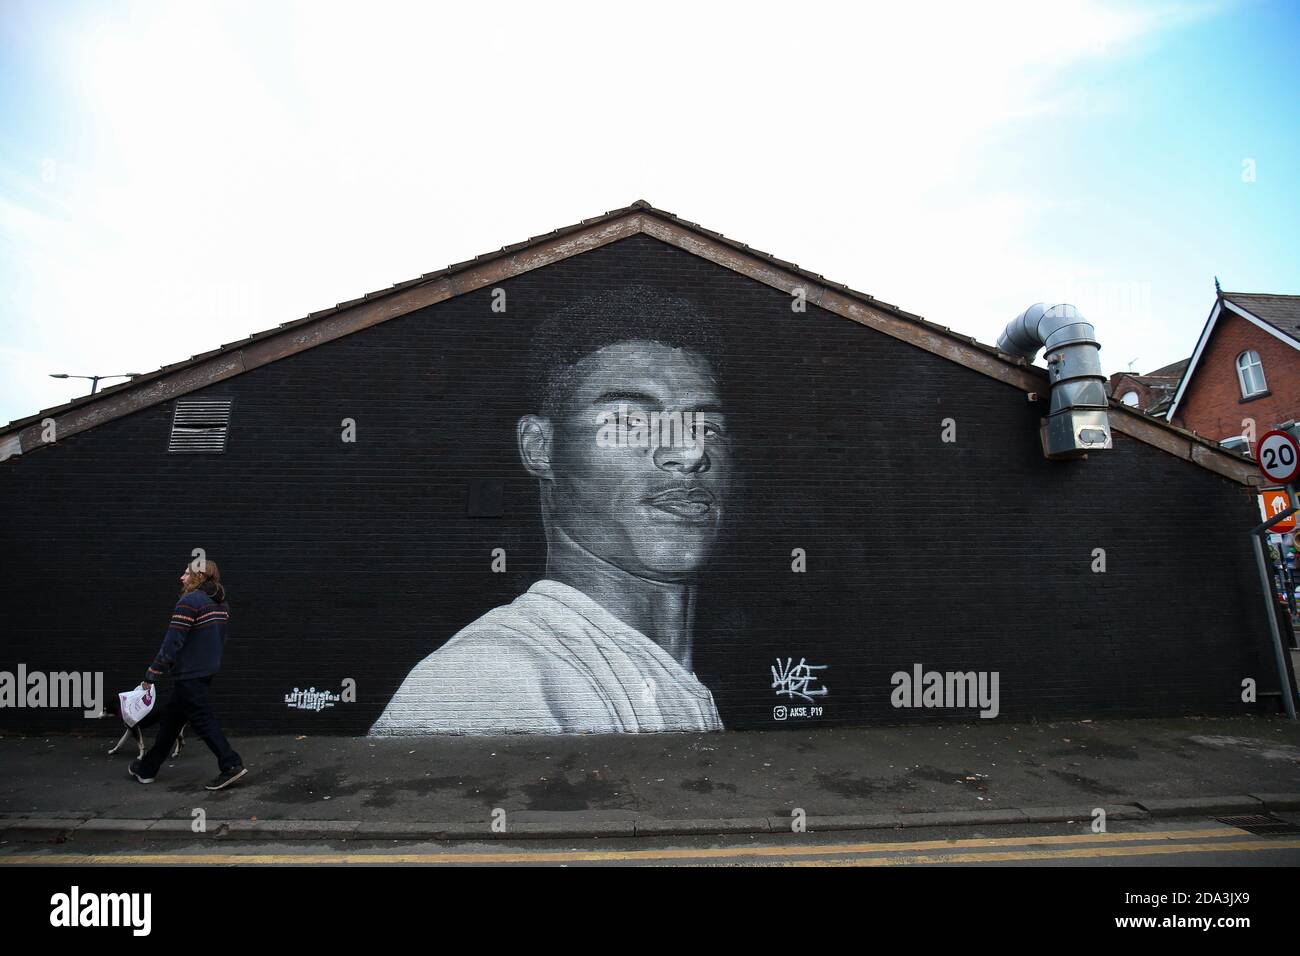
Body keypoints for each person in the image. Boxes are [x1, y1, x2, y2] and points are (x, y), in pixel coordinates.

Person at [370, 285, 733, 735]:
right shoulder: (491, 681)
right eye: (628, 423)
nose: (690, 450)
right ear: (540, 448)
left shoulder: (674, 679)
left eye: (707, 426)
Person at [129, 558, 247, 789]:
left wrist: (152, 673)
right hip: (205, 671)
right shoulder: (221, 604)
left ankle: (231, 764)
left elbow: (173, 641)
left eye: (186, 573)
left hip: (189, 674)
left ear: (199, 577)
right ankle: (147, 768)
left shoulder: (189, 602)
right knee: (172, 722)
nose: (181, 578)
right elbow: (220, 640)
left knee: (203, 719)